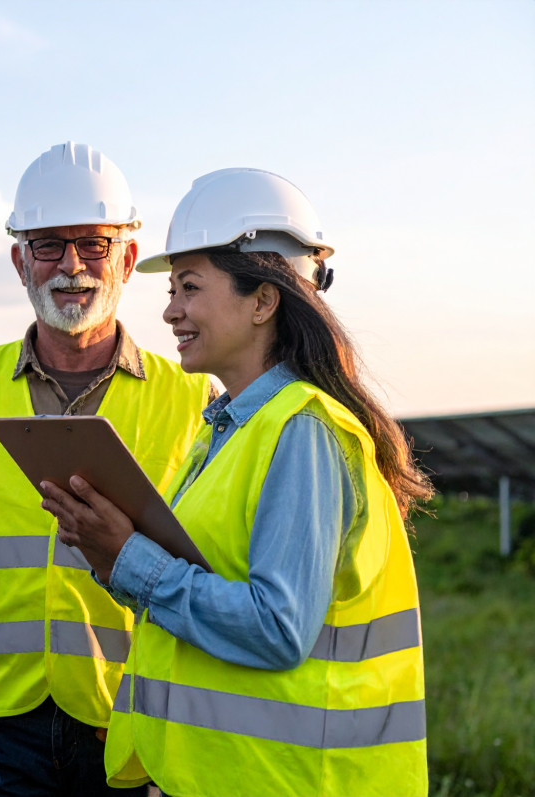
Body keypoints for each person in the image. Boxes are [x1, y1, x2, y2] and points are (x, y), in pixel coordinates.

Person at [40, 168, 433, 797]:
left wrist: (132, 560)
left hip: (292, 781)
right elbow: (197, 590)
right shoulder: (225, 430)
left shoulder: (304, 432)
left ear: (263, 300)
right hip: (220, 776)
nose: (170, 311)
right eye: (172, 289)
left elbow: (278, 628)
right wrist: (107, 552)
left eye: (189, 287)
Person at [0, 142, 212, 796]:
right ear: (18, 261)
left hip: (127, 730)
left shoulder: (193, 401)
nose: (71, 266)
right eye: (47, 246)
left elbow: (215, 570)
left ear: (128, 258)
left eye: (92, 244)